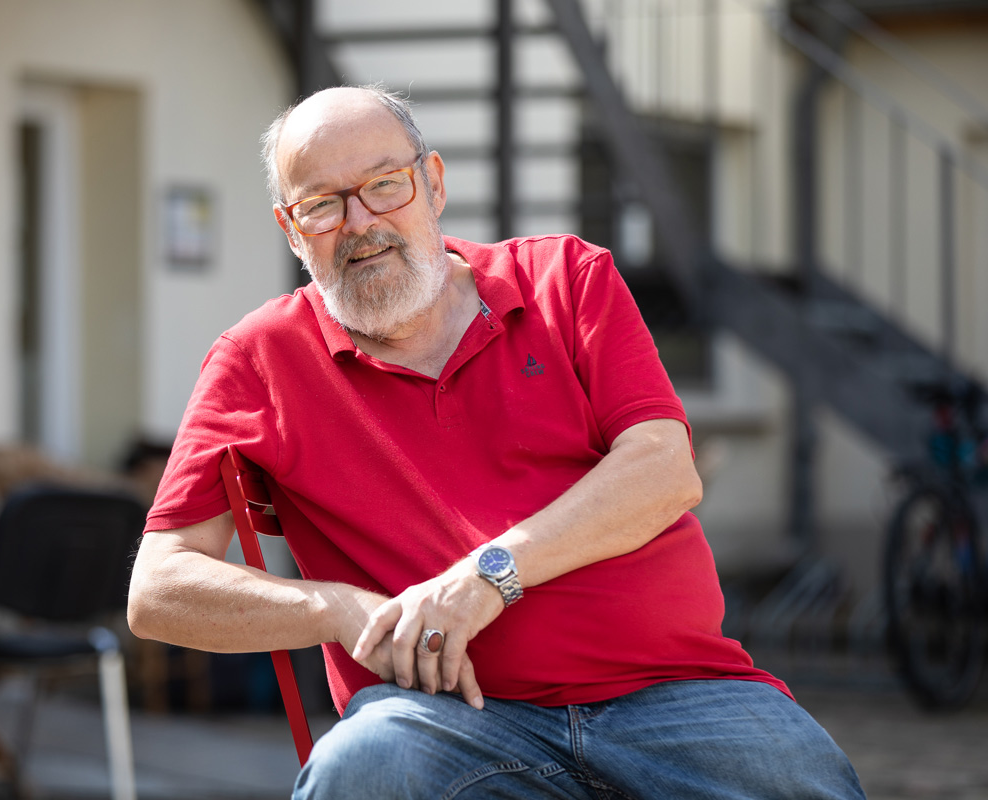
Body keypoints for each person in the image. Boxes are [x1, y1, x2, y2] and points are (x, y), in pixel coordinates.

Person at [127, 85, 865, 799]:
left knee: (804, 780)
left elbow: (664, 469)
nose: (359, 223)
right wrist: (336, 609)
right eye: (322, 204)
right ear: (292, 230)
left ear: (434, 183)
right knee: (362, 769)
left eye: (385, 185)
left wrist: (487, 578)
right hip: (444, 722)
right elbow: (158, 590)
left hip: (673, 695)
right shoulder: (259, 360)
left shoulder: (567, 280)